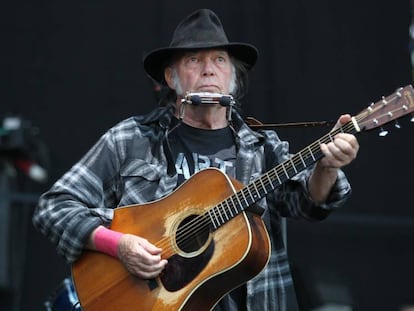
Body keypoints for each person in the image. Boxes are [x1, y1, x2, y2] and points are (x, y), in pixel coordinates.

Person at [32, 8, 359, 311]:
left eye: (219, 59)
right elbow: (54, 208)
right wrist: (118, 245)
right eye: (193, 59)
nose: (208, 70)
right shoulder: (131, 139)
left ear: (233, 76)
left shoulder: (261, 147)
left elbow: (308, 203)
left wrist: (327, 167)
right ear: (171, 78)